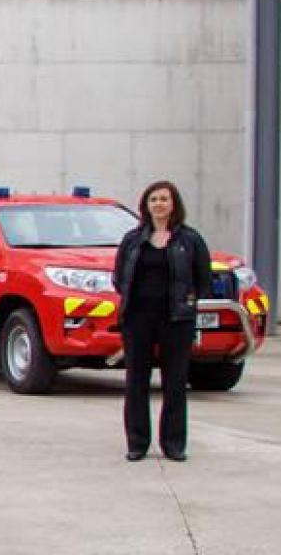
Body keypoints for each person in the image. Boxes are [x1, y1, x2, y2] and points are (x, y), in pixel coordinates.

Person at [114, 180, 212, 462]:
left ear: (173, 204)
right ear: (146, 205)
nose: (159, 204)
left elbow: (203, 279)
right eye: (153, 199)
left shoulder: (190, 240)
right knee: (136, 381)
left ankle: (173, 444)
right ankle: (137, 443)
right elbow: (119, 277)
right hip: (137, 318)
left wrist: (188, 301)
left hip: (176, 320)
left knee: (175, 382)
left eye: (164, 199)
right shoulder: (132, 240)